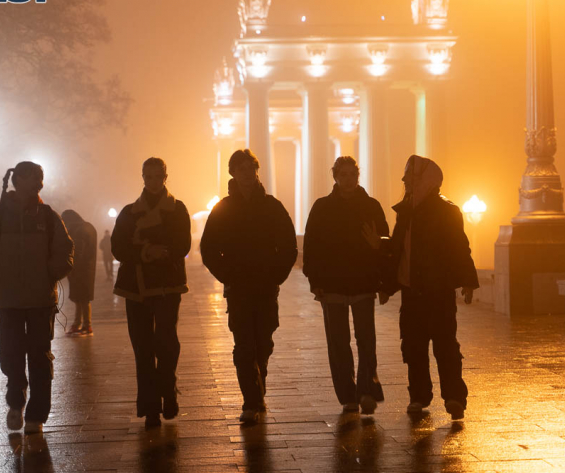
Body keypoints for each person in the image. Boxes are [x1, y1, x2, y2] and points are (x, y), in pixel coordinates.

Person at [368, 155, 478, 421]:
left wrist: (467, 281)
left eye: (411, 176)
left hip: (438, 291)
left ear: (427, 180)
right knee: (414, 348)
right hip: (413, 292)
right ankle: (418, 396)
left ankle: (454, 397)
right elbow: (399, 251)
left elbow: (459, 247)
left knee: (445, 347)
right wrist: (386, 282)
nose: (404, 180)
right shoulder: (407, 210)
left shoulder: (446, 211)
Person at [0, 161, 74, 434]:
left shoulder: (48, 216)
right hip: (9, 302)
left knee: (40, 357)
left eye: (39, 180)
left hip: (41, 300)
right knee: (10, 354)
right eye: (31, 179)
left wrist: (51, 273)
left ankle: (36, 416)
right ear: (18, 181)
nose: (36, 185)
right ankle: (16, 402)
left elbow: (65, 249)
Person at [201, 149, 297, 424]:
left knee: (263, 344)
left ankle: (258, 386)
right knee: (244, 345)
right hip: (239, 288)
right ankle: (251, 401)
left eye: (250, 168)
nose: (245, 173)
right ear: (232, 173)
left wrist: (276, 275)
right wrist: (227, 276)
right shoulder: (223, 209)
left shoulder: (272, 207)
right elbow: (208, 249)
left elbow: (289, 246)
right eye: (240, 168)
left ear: (256, 172)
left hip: (266, 287)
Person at [302, 156, 389, 415]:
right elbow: (311, 247)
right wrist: (314, 280)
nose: (349, 180)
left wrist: (383, 278)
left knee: (366, 340)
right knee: (338, 343)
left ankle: (365, 390)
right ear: (336, 177)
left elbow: (385, 244)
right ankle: (347, 396)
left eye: (353, 174)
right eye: (344, 175)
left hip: (363, 283)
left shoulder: (372, 206)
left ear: (357, 176)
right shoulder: (321, 208)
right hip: (332, 286)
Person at [112, 157, 191, 430]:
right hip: (136, 288)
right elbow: (118, 248)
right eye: (149, 176)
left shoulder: (178, 209)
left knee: (167, 344)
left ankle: (168, 394)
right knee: (143, 348)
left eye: (158, 176)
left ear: (165, 177)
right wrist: (146, 252)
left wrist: (159, 251)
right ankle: (150, 408)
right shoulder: (128, 212)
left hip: (168, 285)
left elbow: (183, 243)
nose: (154, 181)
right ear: (142, 177)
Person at [61, 210, 97, 337]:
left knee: (81, 298)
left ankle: (85, 325)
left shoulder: (78, 230)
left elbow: (77, 251)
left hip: (79, 270)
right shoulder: (88, 227)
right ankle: (80, 324)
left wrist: (70, 267)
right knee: (82, 298)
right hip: (88, 268)